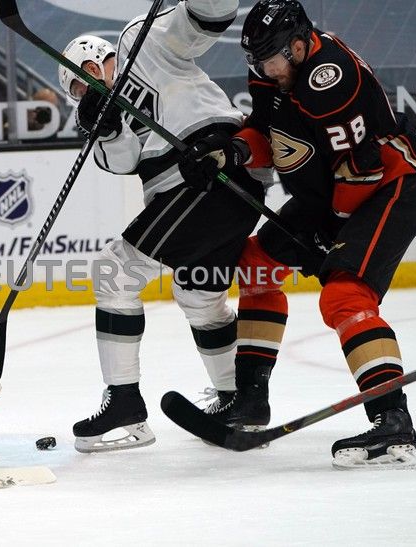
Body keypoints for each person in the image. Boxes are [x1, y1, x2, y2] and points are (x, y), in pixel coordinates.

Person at [193, 0, 416, 468]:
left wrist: (331, 230)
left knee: (344, 294)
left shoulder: (330, 79)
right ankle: (250, 400)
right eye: (258, 60)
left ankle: (392, 421)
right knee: (255, 264)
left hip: (390, 187)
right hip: (331, 197)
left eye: (272, 59)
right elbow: (269, 136)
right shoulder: (273, 72)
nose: (265, 69)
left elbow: (361, 170)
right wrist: (232, 152)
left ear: (299, 45)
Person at [59, 0, 271, 453]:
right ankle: (239, 403)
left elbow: (204, 20)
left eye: (89, 73)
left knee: (114, 272)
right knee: (198, 294)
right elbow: (122, 160)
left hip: (212, 168)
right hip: (207, 192)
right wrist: (107, 127)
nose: (88, 85)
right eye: (78, 88)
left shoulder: (141, 42)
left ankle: (124, 402)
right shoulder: (99, 116)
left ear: (101, 59)